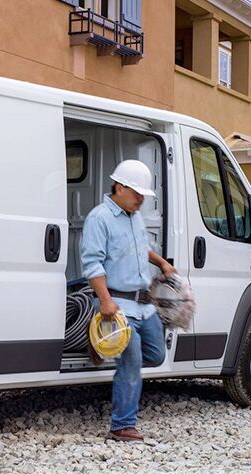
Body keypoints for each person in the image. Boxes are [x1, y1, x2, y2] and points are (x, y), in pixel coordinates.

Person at [80, 159, 176, 442]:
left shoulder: (133, 217)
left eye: (144, 196)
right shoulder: (99, 219)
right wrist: (106, 302)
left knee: (157, 355)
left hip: (144, 306)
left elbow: (139, 248)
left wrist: (161, 263)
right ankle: (122, 426)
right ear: (119, 187)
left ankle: (106, 349)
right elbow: (92, 264)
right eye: (137, 194)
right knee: (132, 362)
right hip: (118, 307)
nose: (141, 200)